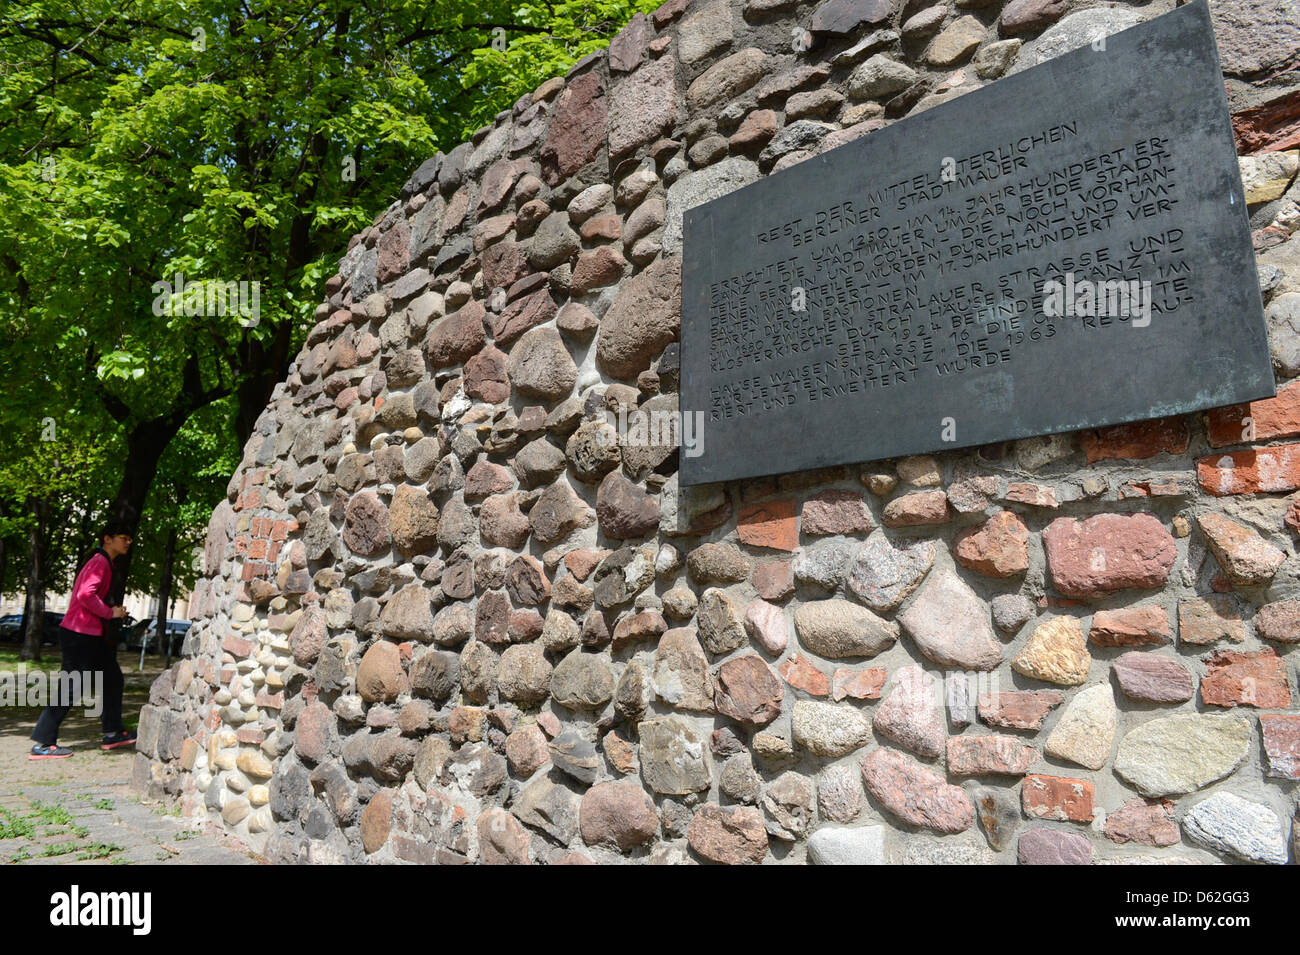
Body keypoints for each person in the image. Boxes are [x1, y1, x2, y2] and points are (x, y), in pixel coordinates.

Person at [30, 520, 138, 759]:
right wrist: (111, 613)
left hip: (89, 635)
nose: (128, 542)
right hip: (79, 634)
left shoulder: (103, 563)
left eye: (130, 539)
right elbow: (84, 595)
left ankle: (112, 732)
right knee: (72, 687)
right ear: (108, 539)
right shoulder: (100, 562)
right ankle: (43, 743)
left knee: (112, 679)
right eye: (124, 537)